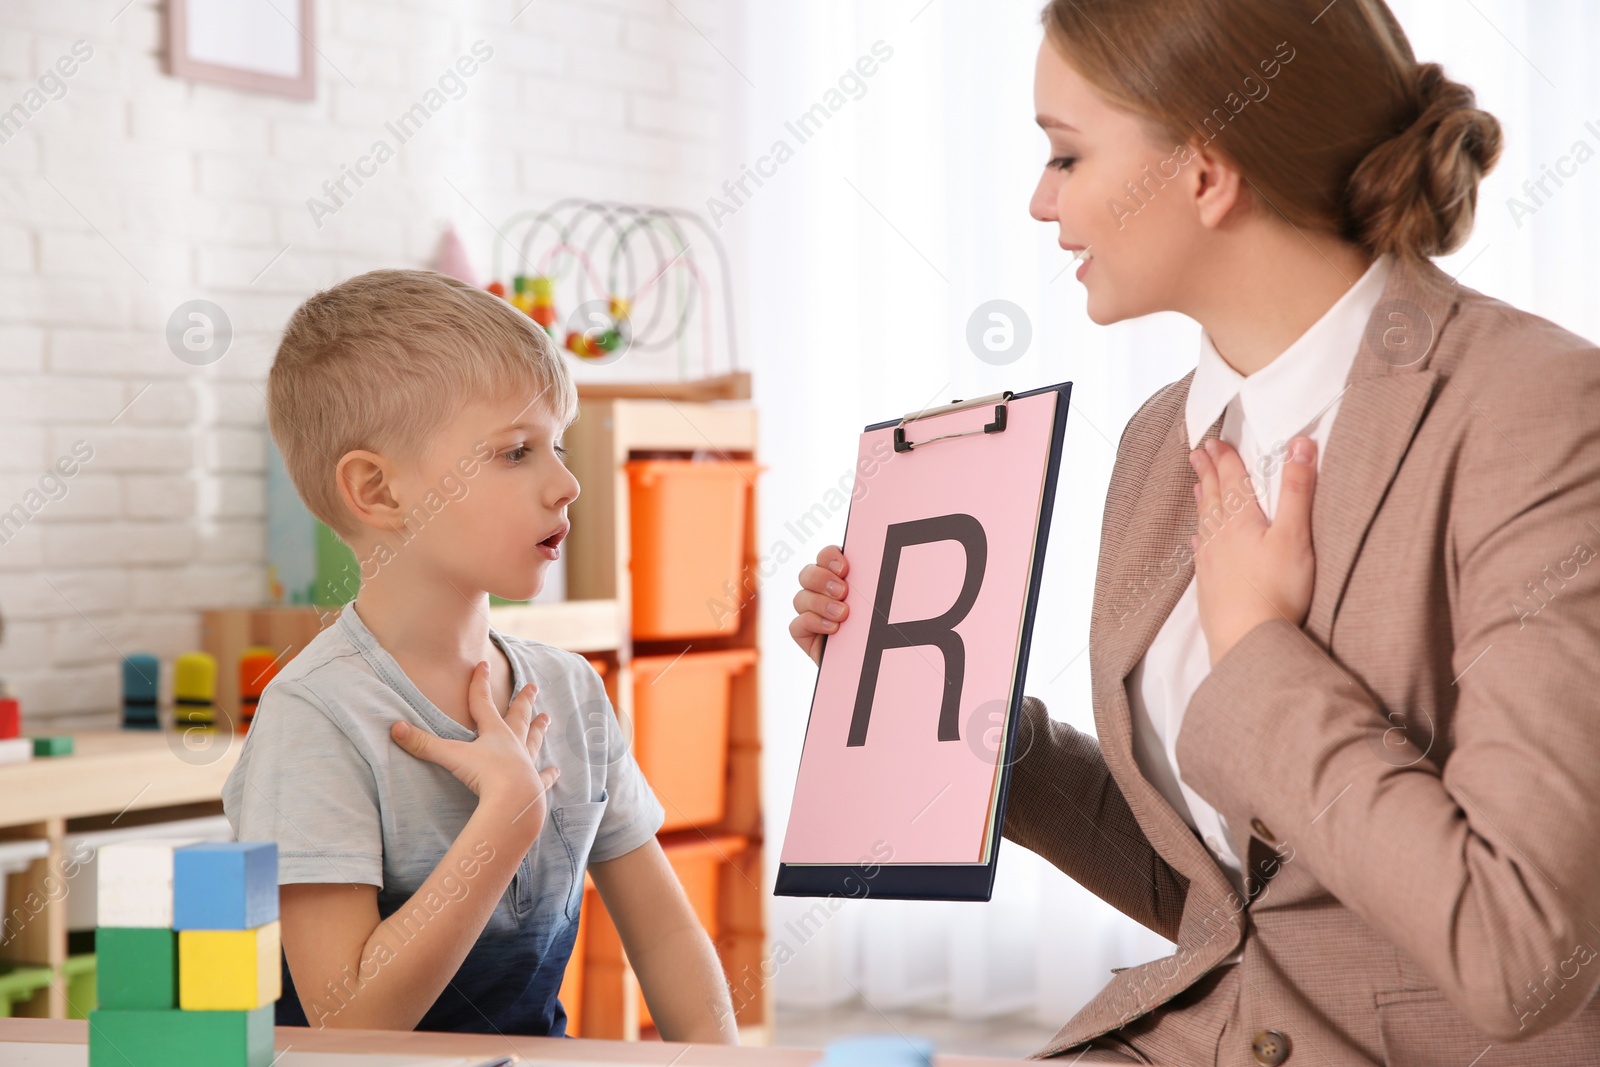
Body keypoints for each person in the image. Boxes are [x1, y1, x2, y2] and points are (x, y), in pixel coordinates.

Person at [789, 1, 1600, 1062]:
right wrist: (958, 721)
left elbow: (1518, 951)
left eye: (1065, 155)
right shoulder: (1155, 444)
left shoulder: (1538, 412)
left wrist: (1258, 651)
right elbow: (1230, 895)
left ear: (1206, 173)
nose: (1040, 201)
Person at [224, 269, 737, 1041]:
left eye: (557, 447)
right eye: (515, 452)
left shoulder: (570, 689)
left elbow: (665, 938)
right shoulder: (316, 717)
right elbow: (348, 1024)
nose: (566, 483)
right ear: (379, 491)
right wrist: (505, 820)